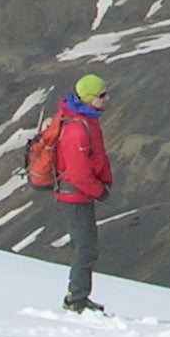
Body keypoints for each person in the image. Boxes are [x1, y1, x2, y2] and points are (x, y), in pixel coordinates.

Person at [44, 73, 115, 313]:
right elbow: (78, 172)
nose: (107, 98)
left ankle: (78, 296)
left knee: (85, 247)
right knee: (85, 248)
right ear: (88, 99)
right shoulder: (78, 130)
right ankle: (77, 299)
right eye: (102, 95)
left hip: (79, 194)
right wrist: (99, 190)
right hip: (75, 196)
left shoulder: (86, 121)